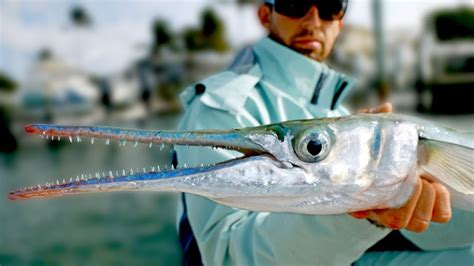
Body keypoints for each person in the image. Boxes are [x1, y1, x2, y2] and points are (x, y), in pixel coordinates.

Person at [175, 0, 474, 265]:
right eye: (295, 4)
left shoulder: (338, 113)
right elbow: (227, 257)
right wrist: (364, 210)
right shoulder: (219, 105)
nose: (313, 21)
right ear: (266, 15)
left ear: (339, 22)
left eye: (330, 7)